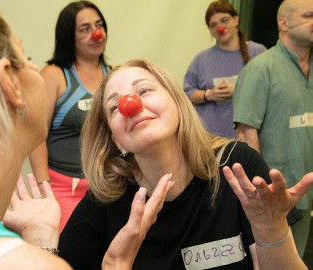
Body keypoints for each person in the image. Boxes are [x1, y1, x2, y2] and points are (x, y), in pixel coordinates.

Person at [0, 1, 172, 268]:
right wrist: (116, 262)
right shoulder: (19, 263)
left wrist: (41, 238)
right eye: (27, 59)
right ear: (9, 81)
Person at [58, 58, 313, 269]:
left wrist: (272, 234)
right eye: (114, 107)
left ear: (178, 103)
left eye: (144, 90)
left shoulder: (236, 166)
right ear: (115, 138)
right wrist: (43, 241)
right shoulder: (107, 198)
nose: (130, 105)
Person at [233, 0, 313, 258]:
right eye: (309, 15)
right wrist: (263, 192)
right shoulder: (261, 68)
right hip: (277, 198)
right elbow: (245, 134)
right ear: (284, 23)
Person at [29, 0, 112, 232]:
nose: (96, 34)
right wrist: (45, 190)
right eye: (85, 29)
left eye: (99, 25)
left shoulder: (114, 74)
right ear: (69, 36)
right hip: (64, 189)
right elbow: (35, 136)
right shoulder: (54, 75)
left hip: (106, 186)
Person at [183, 0, 266, 138]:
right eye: (213, 25)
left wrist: (238, 89)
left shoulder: (257, 52)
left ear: (236, 20)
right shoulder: (202, 59)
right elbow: (187, 93)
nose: (220, 28)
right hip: (212, 137)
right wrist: (208, 95)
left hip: (249, 135)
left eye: (224, 20)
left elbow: (269, 90)